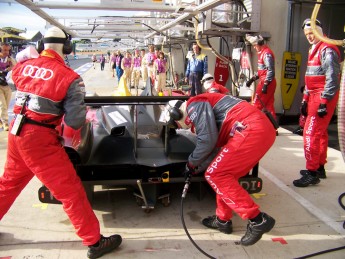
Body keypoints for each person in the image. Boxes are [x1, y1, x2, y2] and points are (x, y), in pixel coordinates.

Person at [0, 27, 122, 258]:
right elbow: (75, 121)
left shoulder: (20, 68)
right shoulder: (70, 78)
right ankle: (95, 242)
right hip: (40, 141)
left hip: (16, 133)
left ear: (40, 46)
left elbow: (18, 85)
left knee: (8, 184)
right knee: (70, 190)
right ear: (67, 48)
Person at [163, 93, 276, 246]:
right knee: (225, 175)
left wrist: (190, 163)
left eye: (174, 123)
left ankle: (257, 219)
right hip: (258, 130)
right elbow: (213, 153)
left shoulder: (194, 105)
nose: (177, 127)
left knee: (216, 175)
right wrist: (195, 169)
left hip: (251, 129)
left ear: (176, 114)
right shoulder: (203, 114)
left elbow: (207, 142)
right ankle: (223, 220)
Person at [293, 19, 341, 186]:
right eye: (307, 34)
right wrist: (305, 99)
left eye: (312, 32)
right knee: (320, 134)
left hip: (322, 97)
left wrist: (324, 102)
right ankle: (319, 167)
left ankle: (312, 172)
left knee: (310, 133)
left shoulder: (327, 50)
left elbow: (333, 78)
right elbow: (309, 78)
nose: (309, 36)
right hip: (314, 96)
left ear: (319, 31)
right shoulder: (314, 48)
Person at [245, 34, 278, 126]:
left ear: (259, 44)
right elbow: (261, 71)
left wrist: (266, 84)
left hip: (266, 83)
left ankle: (253, 125)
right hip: (268, 82)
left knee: (257, 103)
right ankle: (272, 126)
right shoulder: (263, 53)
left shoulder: (266, 54)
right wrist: (252, 79)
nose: (254, 48)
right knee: (268, 105)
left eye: (255, 45)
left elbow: (270, 70)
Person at [0, 42, 16, 131]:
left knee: (6, 103)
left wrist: (11, 68)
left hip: (8, 85)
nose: (6, 52)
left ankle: (1, 120)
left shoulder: (11, 59)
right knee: (3, 105)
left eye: (8, 50)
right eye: (4, 50)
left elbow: (17, 68)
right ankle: (5, 122)